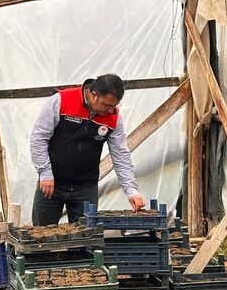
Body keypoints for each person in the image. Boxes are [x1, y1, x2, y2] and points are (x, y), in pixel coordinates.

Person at [29, 74, 145, 226]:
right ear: (94, 95)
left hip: (85, 188)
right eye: (107, 105)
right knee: (41, 238)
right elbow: (39, 138)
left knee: (85, 240)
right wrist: (45, 173)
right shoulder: (61, 101)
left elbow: (121, 155)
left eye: (114, 106)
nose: (111, 111)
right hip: (51, 185)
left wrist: (132, 191)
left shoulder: (114, 118)